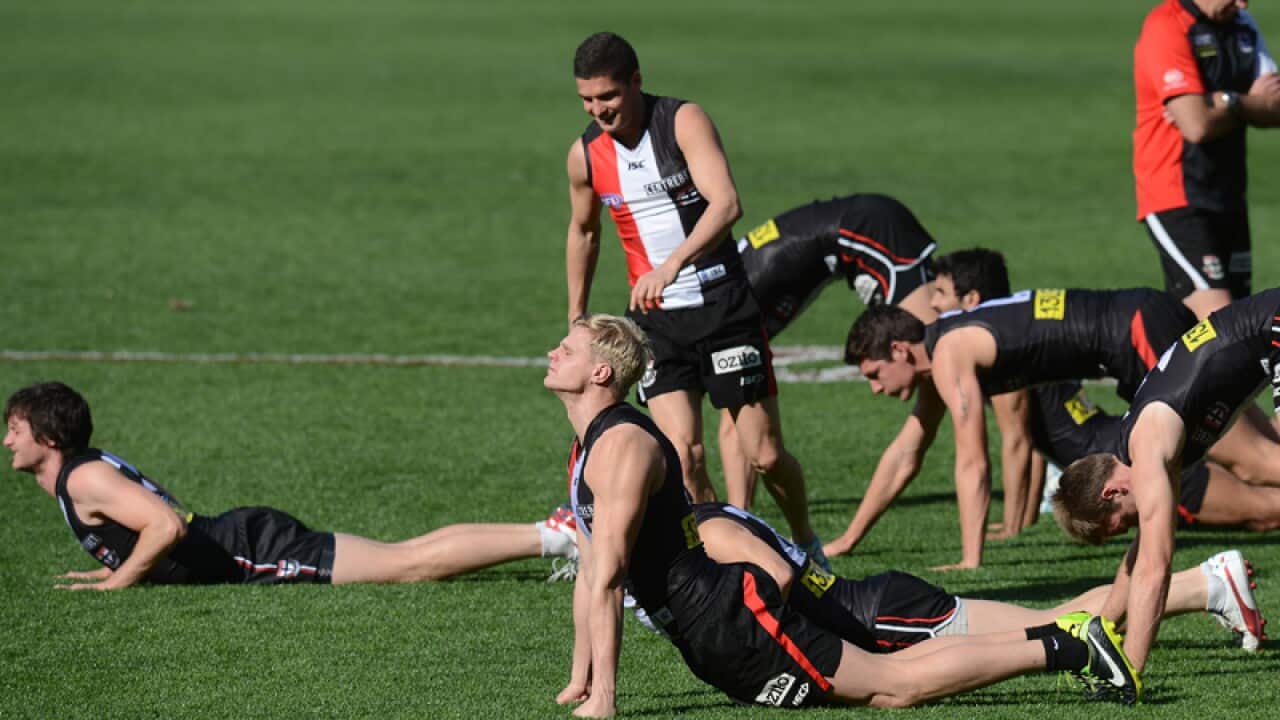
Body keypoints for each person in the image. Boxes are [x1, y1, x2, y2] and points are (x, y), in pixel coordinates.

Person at [546, 313, 1139, 716]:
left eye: (567, 350)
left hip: (730, 621)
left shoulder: (622, 447)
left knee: (895, 686)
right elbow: (593, 564)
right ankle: (1069, 639)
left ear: (601, 373)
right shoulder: (589, 447)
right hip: (716, 629)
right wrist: (581, 678)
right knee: (896, 675)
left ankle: (1071, 646)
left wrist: (606, 699)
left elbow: (611, 575)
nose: (553, 353)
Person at [564, 31, 822, 562]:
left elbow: (726, 203)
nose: (598, 109)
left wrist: (672, 265)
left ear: (637, 81)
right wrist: (577, 313)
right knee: (683, 457)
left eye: (608, 96)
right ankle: (721, 561)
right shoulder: (585, 154)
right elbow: (584, 231)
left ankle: (805, 542)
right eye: (587, 99)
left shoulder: (681, 121)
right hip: (655, 323)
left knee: (765, 454)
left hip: (723, 307)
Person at [3, 382, 580, 589]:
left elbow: (165, 524)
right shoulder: (80, 475)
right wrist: (114, 569)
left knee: (408, 564)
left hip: (255, 551)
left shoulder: (85, 477)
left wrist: (119, 582)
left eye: (15, 429)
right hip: (244, 537)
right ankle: (553, 532)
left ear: (48, 438)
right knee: (406, 555)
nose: (8, 441)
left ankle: (557, 536)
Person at [831, 286, 1195, 568]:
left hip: (1136, 327)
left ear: (899, 350)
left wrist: (970, 560)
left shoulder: (948, 353)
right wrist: (848, 539)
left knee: (1213, 443)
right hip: (1136, 322)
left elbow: (973, 462)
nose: (875, 388)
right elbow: (904, 455)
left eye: (875, 374)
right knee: (1213, 437)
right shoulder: (941, 351)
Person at [1053, 288, 1280, 673]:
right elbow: (1141, 556)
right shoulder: (1142, 445)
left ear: (1111, 491)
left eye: (1120, 523)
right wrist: (1104, 626)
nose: (1131, 526)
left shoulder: (1148, 447)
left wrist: (1130, 667)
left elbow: (1155, 568)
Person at [692, 501, 1262, 654]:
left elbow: (777, 580)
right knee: (1053, 620)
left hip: (887, 617)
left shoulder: (705, 527)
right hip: (880, 604)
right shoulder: (713, 513)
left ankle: (1204, 584)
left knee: (1052, 626)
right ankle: (1204, 584)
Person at [721, 193, 939, 509]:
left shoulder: (730, 309)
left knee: (943, 364)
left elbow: (734, 426)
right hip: (867, 223)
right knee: (946, 370)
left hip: (875, 228)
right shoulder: (732, 302)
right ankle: (739, 516)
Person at [1134, 0, 1280, 319]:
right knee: (1224, 321)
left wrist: (1225, 102)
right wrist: (1246, 101)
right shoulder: (1167, 27)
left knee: (1236, 321)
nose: (1243, 3)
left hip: (1228, 194)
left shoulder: (1242, 24)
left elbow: (1276, 106)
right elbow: (1196, 125)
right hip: (1177, 195)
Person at [1033, 380, 1280, 534]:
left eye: (1121, 525)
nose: (1127, 530)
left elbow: (1020, 444)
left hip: (1158, 459)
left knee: (1266, 509)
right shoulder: (1039, 352)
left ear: (1111, 493)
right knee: (1268, 453)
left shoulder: (1017, 360)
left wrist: (1018, 525)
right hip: (1155, 429)